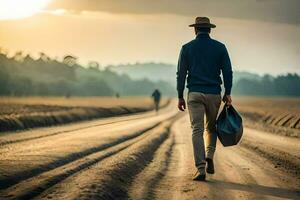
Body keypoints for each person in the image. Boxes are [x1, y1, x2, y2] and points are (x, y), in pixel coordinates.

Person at [176, 17, 233, 181]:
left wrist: (180, 96)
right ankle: (209, 154)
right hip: (214, 93)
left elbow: (181, 74)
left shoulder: (186, 48)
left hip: (194, 94)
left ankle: (200, 169)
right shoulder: (220, 48)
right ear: (209, 30)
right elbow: (228, 72)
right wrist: (227, 92)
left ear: (195, 30)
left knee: (197, 130)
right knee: (211, 128)